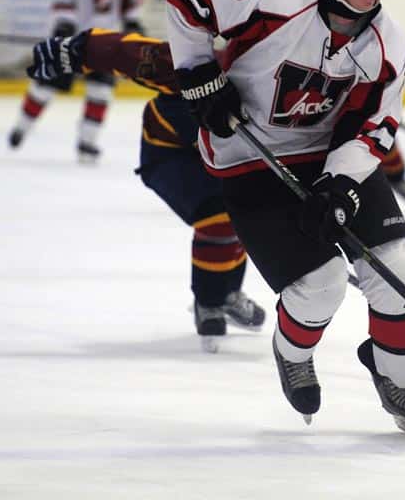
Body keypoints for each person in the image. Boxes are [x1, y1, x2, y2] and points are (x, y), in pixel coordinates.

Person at [165, 0, 405, 438]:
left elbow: (375, 128)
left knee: (397, 266)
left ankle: (401, 385)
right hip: (249, 160)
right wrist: (198, 72)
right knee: (321, 285)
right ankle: (293, 353)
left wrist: (341, 184)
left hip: (327, 157)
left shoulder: (390, 44)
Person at [24, 28, 267, 352]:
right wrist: (75, 51)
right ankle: (209, 302)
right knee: (218, 215)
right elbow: (128, 52)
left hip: (222, 157)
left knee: (251, 212)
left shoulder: (280, 86)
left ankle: (228, 293)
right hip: (170, 154)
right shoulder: (193, 67)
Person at [8, 0, 143, 164]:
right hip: (73, 37)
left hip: (104, 39)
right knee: (46, 86)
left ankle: (87, 143)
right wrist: (64, 21)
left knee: (101, 91)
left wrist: (132, 22)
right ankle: (22, 127)